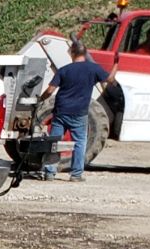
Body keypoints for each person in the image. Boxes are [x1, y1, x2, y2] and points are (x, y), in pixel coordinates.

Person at [42, 41, 116, 181]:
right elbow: (110, 80)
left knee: (54, 142)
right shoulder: (94, 69)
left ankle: (49, 172)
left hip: (61, 111)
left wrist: (41, 99)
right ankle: (76, 174)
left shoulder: (64, 70)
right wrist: (116, 65)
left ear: (72, 53)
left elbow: (50, 90)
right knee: (80, 142)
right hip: (79, 112)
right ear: (85, 53)